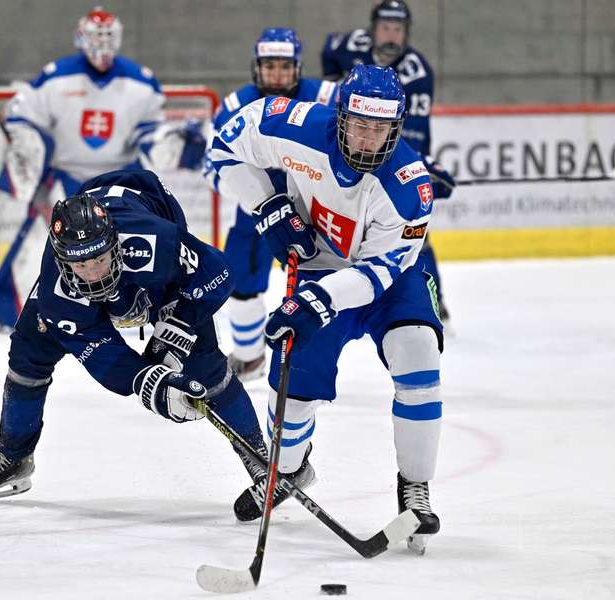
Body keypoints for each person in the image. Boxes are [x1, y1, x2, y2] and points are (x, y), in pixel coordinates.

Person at [210, 63, 444, 553]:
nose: (368, 140)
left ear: (395, 128)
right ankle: (291, 470)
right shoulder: (292, 124)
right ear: (339, 116)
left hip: (385, 280)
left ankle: (415, 489)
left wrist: (320, 299)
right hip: (317, 270)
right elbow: (222, 150)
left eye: (381, 129)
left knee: (418, 350)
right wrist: (268, 206)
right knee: (291, 397)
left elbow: (379, 274)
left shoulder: (409, 185)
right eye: (360, 125)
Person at [0, 169, 266, 507]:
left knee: (204, 364)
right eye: (81, 266)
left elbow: (219, 273)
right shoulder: (56, 295)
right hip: (94, 253)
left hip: (149, 207)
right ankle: (14, 458)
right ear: (62, 260)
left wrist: (180, 324)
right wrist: (148, 382)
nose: (94, 274)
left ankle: (262, 462)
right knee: (29, 349)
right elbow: (100, 351)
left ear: (114, 244)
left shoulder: (154, 241)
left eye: (100, 259)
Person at [0, 7, 204, 329]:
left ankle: (145, 306)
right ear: (81, 38)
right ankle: (21, 313)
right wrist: (25, 143)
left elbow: (150, 134)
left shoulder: (141, 82)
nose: (101, 49)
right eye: (95, 39)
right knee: (42, 244)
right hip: (66, 175)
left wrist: (173, 143)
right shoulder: (56, 76)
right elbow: (24, 116)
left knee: (136, 242)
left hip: (118, 179)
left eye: (107, 39)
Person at [205, 28, 337, 382]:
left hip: (315, 208)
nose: (277, 74)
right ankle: (249, 358)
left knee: (316, 286)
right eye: (269, 66)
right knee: (240, 283)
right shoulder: (234, 106)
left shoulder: (326, 95)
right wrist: (256, 199)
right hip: (255, 211)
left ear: (297, 67)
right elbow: (214, 165)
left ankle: (309, 362)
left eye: (284, 66)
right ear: (256, 67)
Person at [321, 0, 456, 323]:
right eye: (385, 28)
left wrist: (420, 168)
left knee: (416, 234)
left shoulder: (418, 73)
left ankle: (431, 300)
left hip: (390, 156)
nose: (391, 35)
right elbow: (329, 51)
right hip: (347, 147)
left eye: (398, 29)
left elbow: (414, 135)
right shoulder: (350, 45)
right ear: (373, 29)